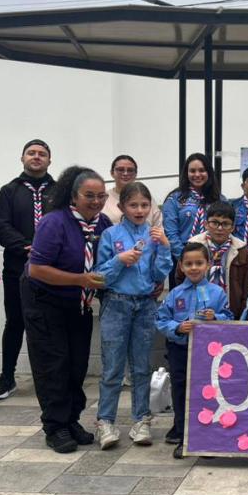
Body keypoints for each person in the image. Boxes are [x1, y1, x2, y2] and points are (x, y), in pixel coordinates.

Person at [22, 166, 111, 452]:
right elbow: (37, 269)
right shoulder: (54, 222)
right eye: (89, 195)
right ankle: (55, 426)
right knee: (54, 364)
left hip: (79, 303)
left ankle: (71, 419)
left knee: (76, 364)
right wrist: (80, 280)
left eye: (101, 196)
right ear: (74, 196)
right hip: (45, 301)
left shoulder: (102, 224)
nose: (96, 201)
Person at [93, 182, 173, 450]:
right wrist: (120, 260)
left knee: (141, 367)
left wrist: (164, 247)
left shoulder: (155, 235)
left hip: (145, 304)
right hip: (116, 303)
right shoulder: (110, 235)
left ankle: (141, 420)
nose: (139, 210)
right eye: (133, 205)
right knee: (113, 367)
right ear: (121, 207)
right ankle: (106, 421)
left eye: (144, 205)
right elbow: (100, 276)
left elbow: (158, 275)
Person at [0, 138, 54, 401]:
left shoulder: (60, 191)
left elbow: (66, 223)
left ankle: (51, 376)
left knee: (51, 321)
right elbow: (2, 225)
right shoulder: (9, 191)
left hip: (52, 268)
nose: (36, 157)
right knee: (15, 321)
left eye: (42, 154)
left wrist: (47, 250)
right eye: (31, 153)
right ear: (22, 158)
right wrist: (28, 247)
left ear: (49, 160)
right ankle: (7, 376)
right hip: (17, 267)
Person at [156, 242, 234, 458]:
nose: (194, 268)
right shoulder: (175, 294)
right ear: (181, 266)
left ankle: (207, 439)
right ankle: (184, 439)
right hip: (180, 351)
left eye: (199, 263)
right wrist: (177, 328)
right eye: (189, 264)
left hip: (208, 354)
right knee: (181, 393)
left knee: (207, 393)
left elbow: (229, 318)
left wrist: (216, 317)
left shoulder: (218, 293)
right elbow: (161, 319)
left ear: (208, 264)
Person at [179, 201, 248, 316]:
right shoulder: (193, 245)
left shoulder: (240, 249)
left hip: (231, 308)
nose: (219, 228)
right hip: (197, 309)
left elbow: (246, 285)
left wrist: (241, 312)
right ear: (206, 224)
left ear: (233, 227)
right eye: (214, 223)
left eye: (225, 224)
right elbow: (180, 278)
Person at [162, 152, 223, 269]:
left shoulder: (219, 199)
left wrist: (214, 258)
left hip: (213, 257)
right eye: (192, 171)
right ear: (186, 173)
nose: (197, 174)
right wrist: (186, 259)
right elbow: (171, 234)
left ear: (209, 172)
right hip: (182, 259)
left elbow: (225, 229)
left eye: (202, 170)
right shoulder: (174, 199)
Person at [102, 154, 163, 228]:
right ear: (112, 173)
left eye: (130, 170)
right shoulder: (103, 198)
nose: (125, 173)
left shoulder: (146, 197)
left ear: (135, 174)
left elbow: (158, 225)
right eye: (120, 170)